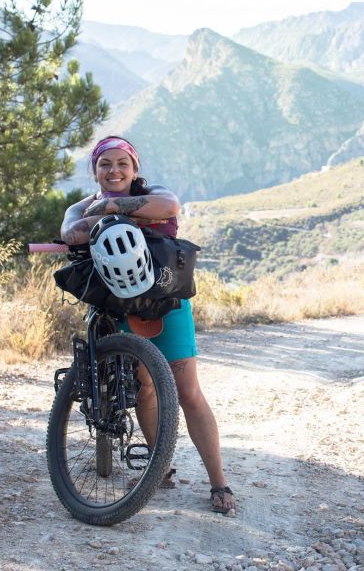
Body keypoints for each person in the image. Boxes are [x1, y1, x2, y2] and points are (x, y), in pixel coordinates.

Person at [60, 136, 236, 514]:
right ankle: (160, 469)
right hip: (116, 299)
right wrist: (120, 213)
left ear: (135, 169)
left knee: (188, 391)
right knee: (145, 389)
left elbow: (168, 205)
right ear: (95, 170)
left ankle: (219, 482)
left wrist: (108, 207)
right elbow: (70, 232)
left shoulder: (152, 192)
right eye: (105, 164)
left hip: (166, 299)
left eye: (122, 163)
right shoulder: (81, 204)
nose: (114, 170)